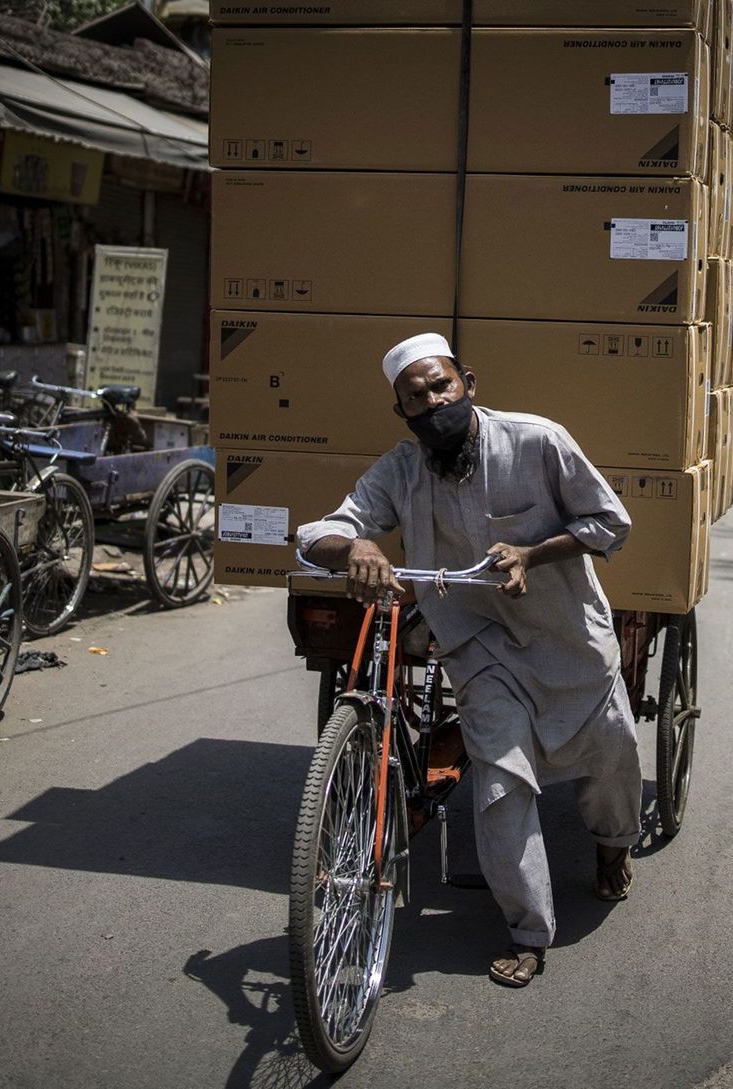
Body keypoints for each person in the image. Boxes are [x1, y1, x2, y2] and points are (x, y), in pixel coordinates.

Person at [297, 333, 641, 990]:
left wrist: (531, 553)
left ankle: (613, 846)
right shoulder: (400, 470)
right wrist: (357, 549)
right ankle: (529, 930)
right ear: (403, 414)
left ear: (468, 383)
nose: (431, 402)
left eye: (439, 386)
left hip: (567, 636)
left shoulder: (537, 440)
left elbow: (610, 523)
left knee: (612, 751)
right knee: (500, 779)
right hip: (478, 645)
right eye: (415, 398)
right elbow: (319, 531)